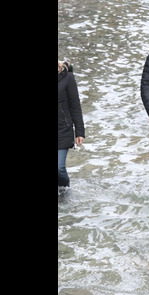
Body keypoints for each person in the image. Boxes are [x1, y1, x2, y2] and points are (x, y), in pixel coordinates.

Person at [58, 59, 86, 195]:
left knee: (59, 168)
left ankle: (65, 191)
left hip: (63, 129)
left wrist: (79, 131)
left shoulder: (67, 77)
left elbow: (75, 106)